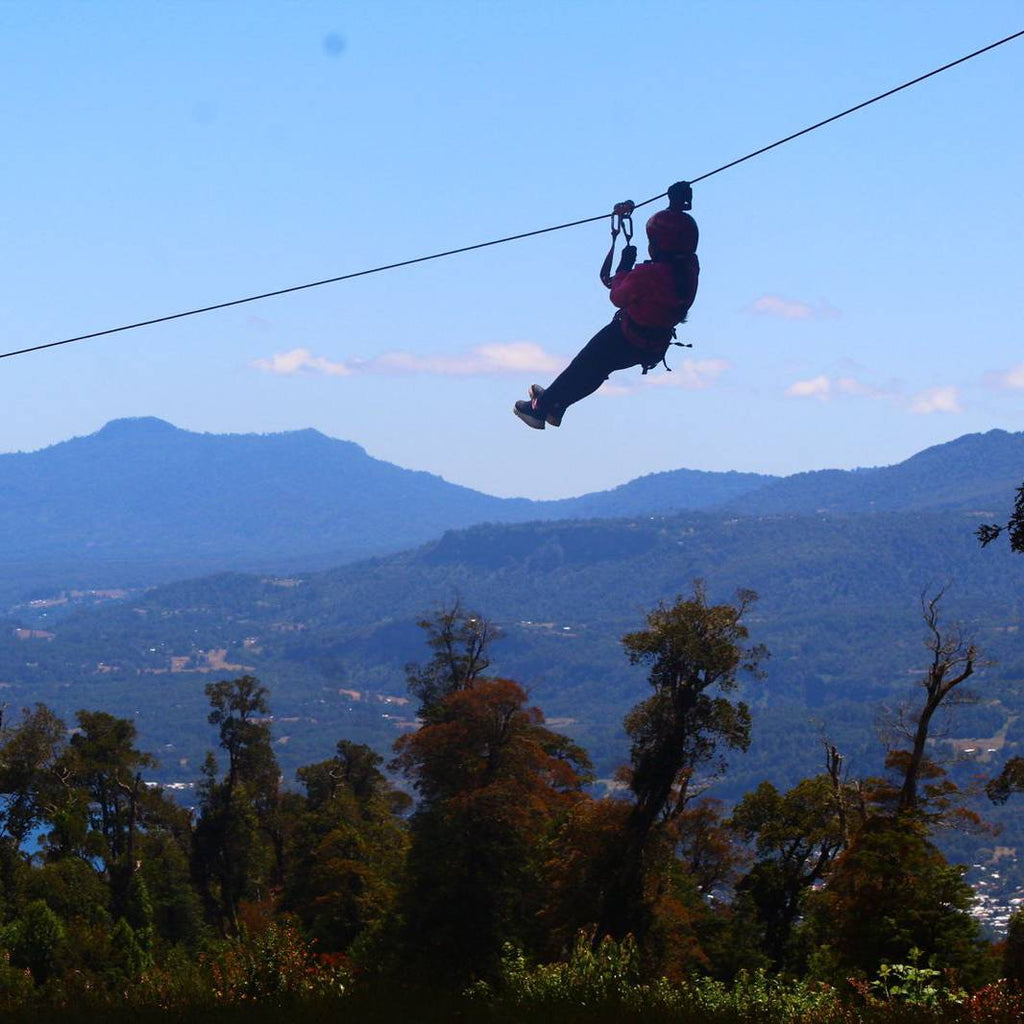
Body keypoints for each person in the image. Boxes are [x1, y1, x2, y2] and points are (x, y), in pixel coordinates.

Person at [514, 181, 699, 429]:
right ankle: (555, 405)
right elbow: (675, 234)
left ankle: (542, 407)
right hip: (654, 343)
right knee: (597, 369)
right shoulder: (688, 268)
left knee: (585, 364)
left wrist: (623, 268)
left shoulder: (649, 275)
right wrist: (675, 204)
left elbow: (617, 297)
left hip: (628, 335)